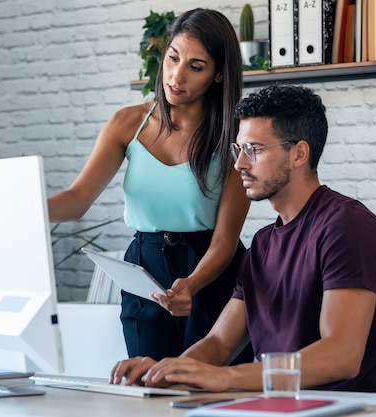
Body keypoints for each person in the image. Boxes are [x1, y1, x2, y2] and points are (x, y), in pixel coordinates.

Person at [111, 84, 376, 393]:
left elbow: (341, 356)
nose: (239, 164)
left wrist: (228, 378)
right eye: (239, 149)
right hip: (272, 408)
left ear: (299, 153)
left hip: (335, 409)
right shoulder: (263, 245)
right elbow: (220, 342)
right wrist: (165, 374)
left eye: (255, 149)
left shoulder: (347, 227)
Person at [47, 8, 253, 364]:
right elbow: (77, 199)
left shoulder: (232, 137)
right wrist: (18, 208)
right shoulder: (127, 124)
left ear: (218, 75)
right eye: (173, 58)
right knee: (148, 383)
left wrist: (193, 283)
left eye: (196, 66)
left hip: (211, 272)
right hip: (143, 271)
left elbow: (225, 239)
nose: (176, 75)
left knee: (212, 393)